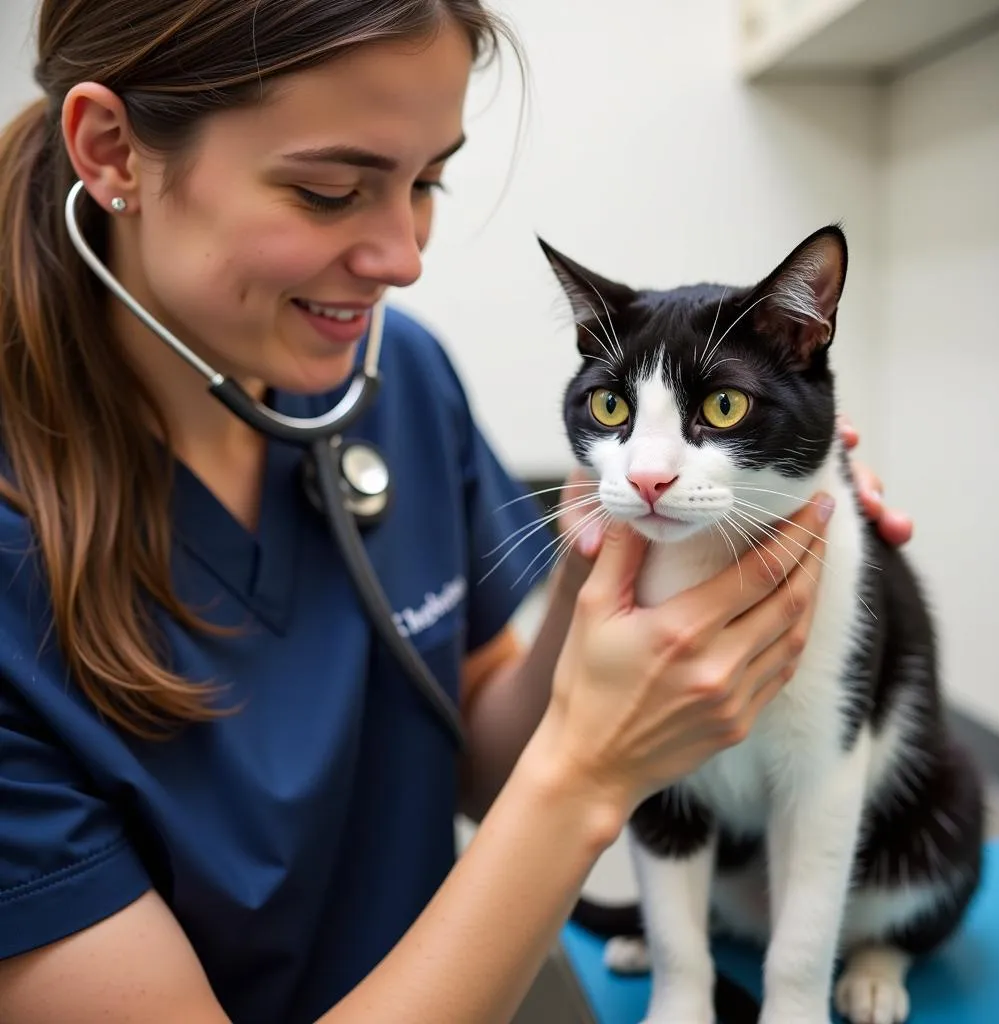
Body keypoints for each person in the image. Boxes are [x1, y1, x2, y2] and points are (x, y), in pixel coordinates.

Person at [0, 2, 913, 1022]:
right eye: (328, 189)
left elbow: (478, 751)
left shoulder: (400, 382)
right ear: (113, 150)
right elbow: (548, 777)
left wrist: (616, 563)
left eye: (427, 180)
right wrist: (589, 765)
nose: (404, 257)